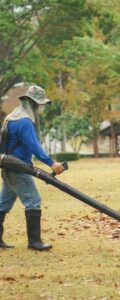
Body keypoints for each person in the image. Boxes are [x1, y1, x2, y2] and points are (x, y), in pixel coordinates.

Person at [0, 85, 64, 251]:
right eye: (39, 104)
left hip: (8, 168)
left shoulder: (12, 117)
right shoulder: (25, 122)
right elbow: (34, 146)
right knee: (33, 201)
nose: (40, 108)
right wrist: (51, 163)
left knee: (3, 204)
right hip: (20, 169)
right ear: (33, 103)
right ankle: (34, 242)